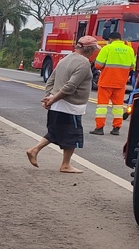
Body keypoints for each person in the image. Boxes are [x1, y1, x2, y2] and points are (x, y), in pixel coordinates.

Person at [25, 35, 99, 173]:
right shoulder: (83, 63)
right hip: (70, 106)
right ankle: (65, 165)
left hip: (58, 103)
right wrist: (52, 100)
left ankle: (34, 150)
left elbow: (50, 80)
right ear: (90, 50)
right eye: (94, 50)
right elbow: (70, 87)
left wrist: (49, 97)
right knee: (73, 136)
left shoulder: (64, 59)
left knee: (55, 132)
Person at [90, 31, 135, 136]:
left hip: (106, 82)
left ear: (110, 39)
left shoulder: (107, 48)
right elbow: (132, 66)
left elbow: (98, 65)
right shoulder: (130, 50)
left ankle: (99, 128)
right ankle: (116, 128)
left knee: (102, 106)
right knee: (118, 107)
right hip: (120, 83)